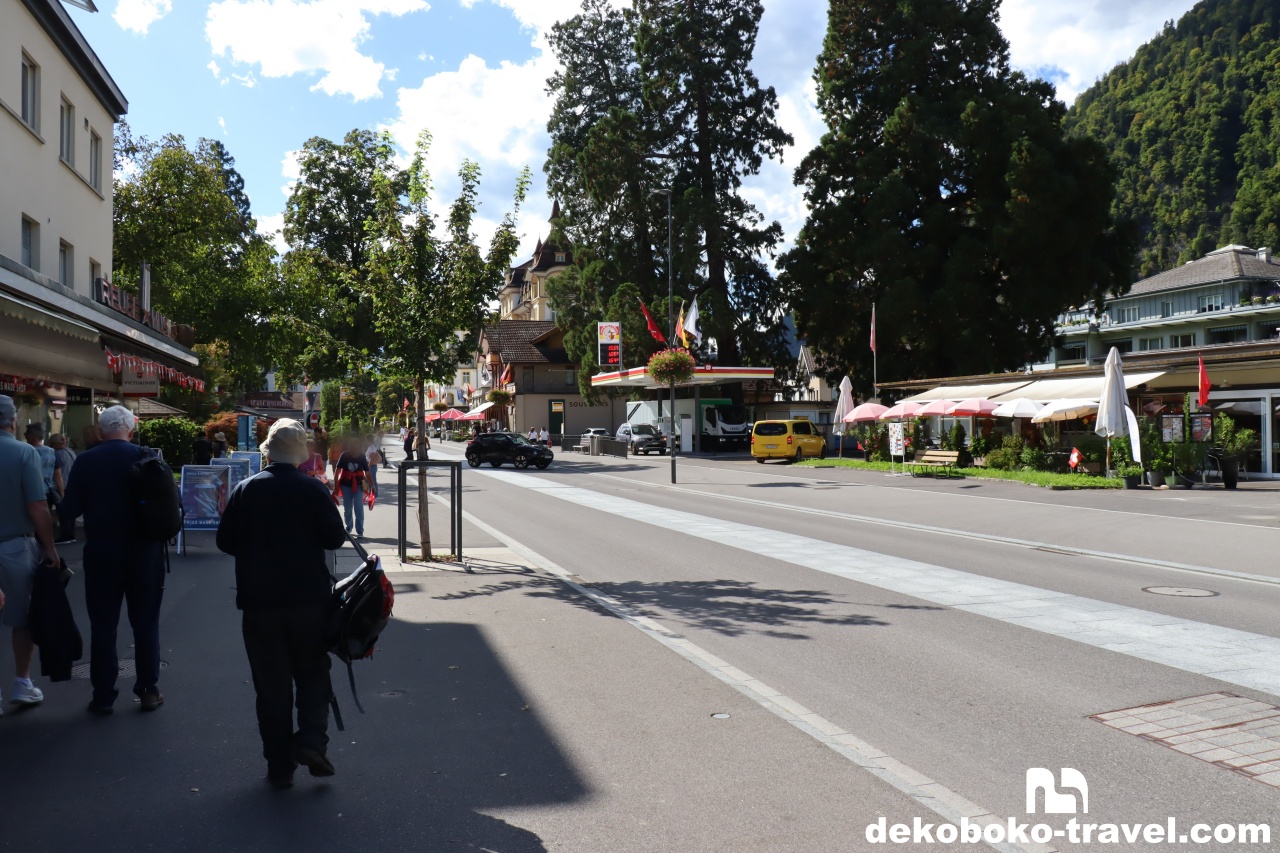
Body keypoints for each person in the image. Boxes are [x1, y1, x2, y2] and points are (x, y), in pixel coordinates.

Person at [216, 419, 346, 789]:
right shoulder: (312, 490)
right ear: (300, 454)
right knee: (312, 675)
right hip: (309, 602)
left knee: (271, 688)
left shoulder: (246, 489)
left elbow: (225, 542)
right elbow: (334, 539)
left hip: (259, 604)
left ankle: (279, 766)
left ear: (268, 453)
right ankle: (311, 743)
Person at [60, 405, 166, 715]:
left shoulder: (87, 460)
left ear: (101, 430)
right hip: (145, 553)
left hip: (103, 553)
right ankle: (148, 689)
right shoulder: (147, 456)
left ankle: (103, 694)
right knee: (145, 623)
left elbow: (69, 510)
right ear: (131, 429)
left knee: (103, 624)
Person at [0, 396, 59, 712]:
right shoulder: (24, 452)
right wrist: (49, 548)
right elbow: (37, 506)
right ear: (13, 421)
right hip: (15, 545)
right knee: (21, 617)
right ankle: (22, 682)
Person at [333, 437, 370, 538]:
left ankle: (360, 530)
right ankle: (348, 528)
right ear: (350, 447)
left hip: (358, 485)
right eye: (353, 446)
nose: (355, 449)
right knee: (348, 508)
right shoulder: (344, 455)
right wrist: (336, 485)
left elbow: (367, 472)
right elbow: (337, 470)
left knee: (359, 508)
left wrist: (373, 485)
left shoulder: (362, 457)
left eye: (357, 446)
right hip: (346, 485)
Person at [25, 423, 64, 510]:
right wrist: (62, 494)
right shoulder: (52, 452)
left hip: (28, 493)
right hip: (46, 493)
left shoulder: (24, 451)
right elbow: (58, 476)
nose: (25, 436)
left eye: (26, 434)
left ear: (31, 436)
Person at [49, 434, 77, 544]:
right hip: (70, 484)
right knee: (70, 512)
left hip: (61, 486)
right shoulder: (71, 452)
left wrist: (61, 492)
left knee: (63, 512)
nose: (50, 446)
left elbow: (58, 475)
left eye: (51, 444)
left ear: (56, 444)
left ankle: (66, 535)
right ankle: (70, 534)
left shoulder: (58, 454)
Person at [364, 434, 381, 498]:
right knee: (370, 480)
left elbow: (372, 457)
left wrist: (368, 465)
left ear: (368, 440)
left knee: (372, 481)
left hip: (372, 466)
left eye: (366, 439)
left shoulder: (372, 447)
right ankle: (372, 494)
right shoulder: (371, 446)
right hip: (371, 465)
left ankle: (375, 495)